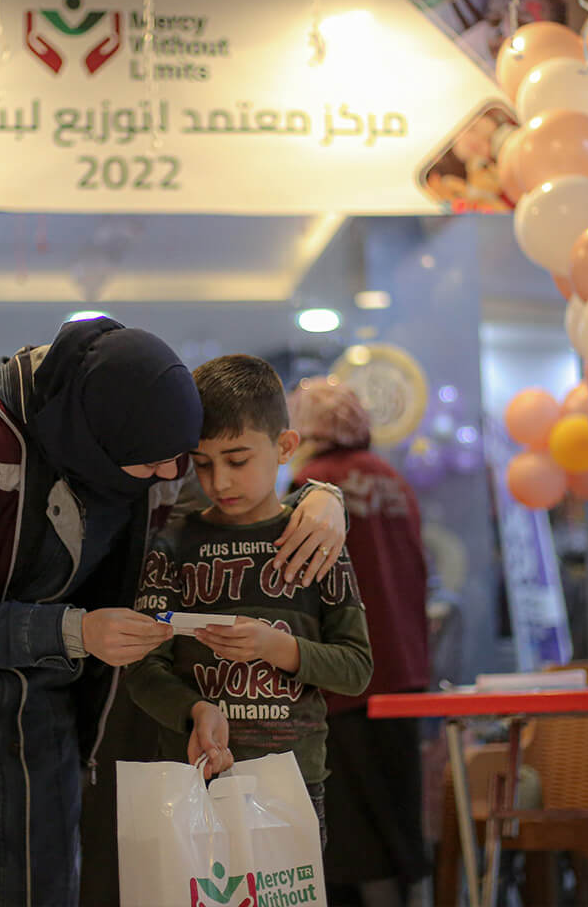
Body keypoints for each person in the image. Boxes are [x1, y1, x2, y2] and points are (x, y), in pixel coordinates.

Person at [0, 319, 347, 907]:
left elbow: (233, 497)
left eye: (180, 460)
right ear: (97, 441)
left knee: (46, 884)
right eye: (154, 464)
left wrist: (321, 497)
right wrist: (79, 631)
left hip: (45, 707)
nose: (170, 476)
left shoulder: (147, 441)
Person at [127, 355, 373, 844]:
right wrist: (194, 710)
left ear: (285, 446)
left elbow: (356, 668)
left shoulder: (315, 539)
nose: (219, 482)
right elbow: (143, 668)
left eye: (237, 460)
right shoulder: (172, 543)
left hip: (293, 783)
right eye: (202, 464)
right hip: (192, 782)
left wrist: (276, 647)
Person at [289, 379, 431, 907]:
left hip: (343, 685)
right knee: (403, 827)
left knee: (354, 841)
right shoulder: (394, 480)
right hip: (404, 674)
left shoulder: (310, 488)